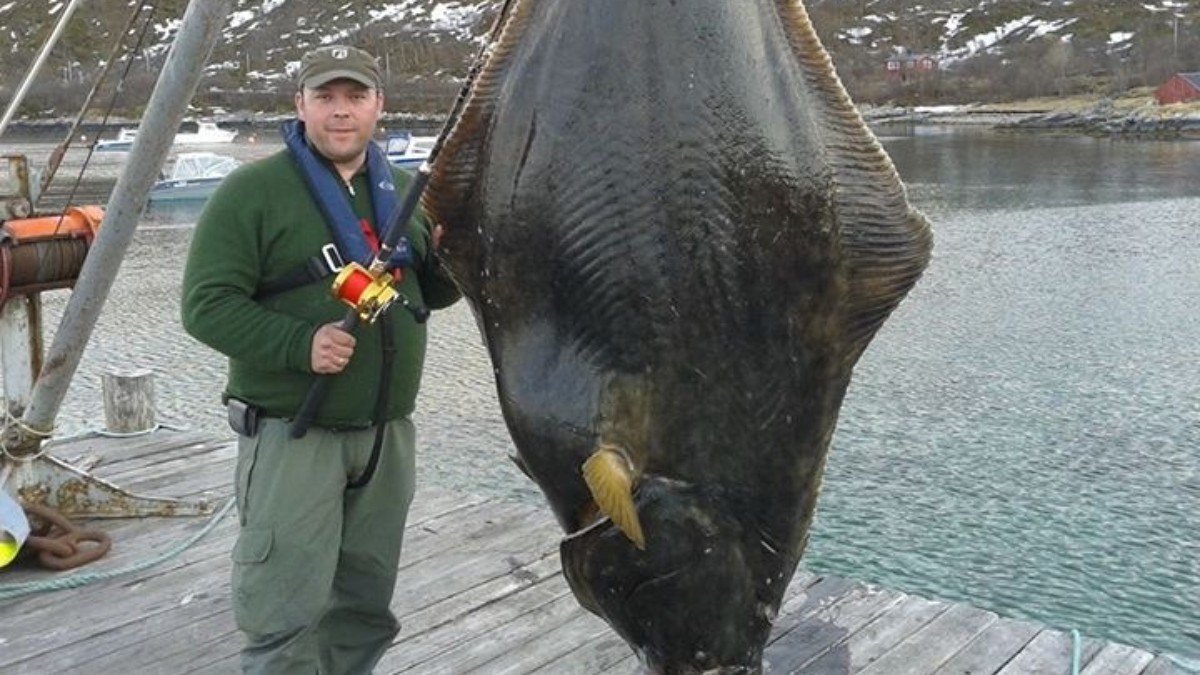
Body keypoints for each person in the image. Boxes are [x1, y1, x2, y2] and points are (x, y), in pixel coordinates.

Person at [181, 44, 460, 674]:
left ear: (378, 106)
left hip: (387, 437)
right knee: (283, 614)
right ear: (299, 104)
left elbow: (428, 293)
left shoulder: (400, 192)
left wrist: (456, 259)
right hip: (294, 434)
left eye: (355, 97)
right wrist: (299, 345)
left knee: (364, 609)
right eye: (326, 98)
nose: (341, 113)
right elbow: (205, 305)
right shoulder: (251, 192)